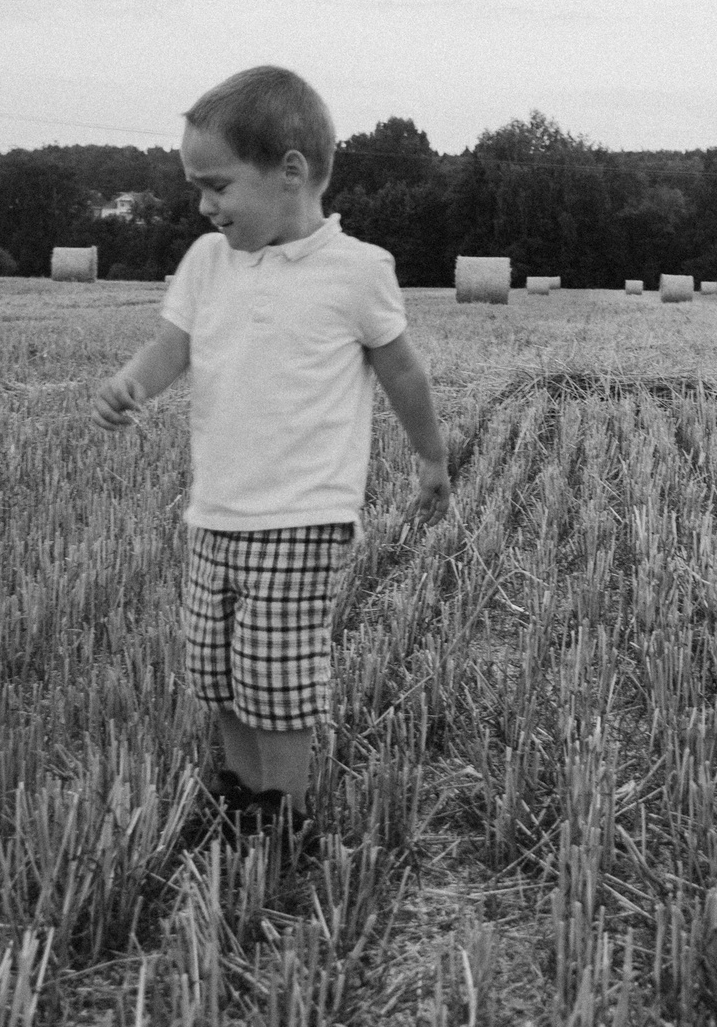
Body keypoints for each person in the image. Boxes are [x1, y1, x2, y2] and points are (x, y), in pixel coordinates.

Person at [92, 64, 451, 838]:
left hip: (303, 515)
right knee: (217, 667)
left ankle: (282, 809)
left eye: (218, 185)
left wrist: (431, 455)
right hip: (216, 510)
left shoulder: (355, 270)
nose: (203, 204)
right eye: (197, 185)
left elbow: (403, 373)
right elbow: (170, 348)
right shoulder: (205, 263)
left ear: (290, 172)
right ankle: (240, 786)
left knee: (275, 675)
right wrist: (133, 385)